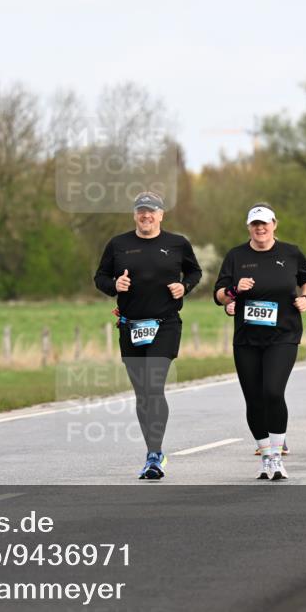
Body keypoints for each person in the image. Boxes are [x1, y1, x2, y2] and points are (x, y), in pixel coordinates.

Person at [94, 191, 201, 480]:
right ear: (134, 215)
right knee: (143, 393)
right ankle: (153, 450)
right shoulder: (118, 245)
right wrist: (115, 284)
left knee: (154, 384)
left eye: (151, 211)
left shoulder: (177, 244)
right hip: (130, 326)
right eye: (141, 211)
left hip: (165, 324)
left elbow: (195, 272)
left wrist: (185, 287)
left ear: (161, 215)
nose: (146, 216)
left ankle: (155, 454)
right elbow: (100, 278)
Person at [215, 203, 306, 481]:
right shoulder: (236, 256)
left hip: (283, 334)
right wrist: (233, 294)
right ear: (249, 227)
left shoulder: (291, 253)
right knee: (254, 399)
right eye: (255, 224)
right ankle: (266, 456)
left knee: (272, 391)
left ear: (274, 224)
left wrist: (305, 298)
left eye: (265, 223)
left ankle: (277, 454)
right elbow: (220, 294)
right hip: (247, 338)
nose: (260, 228)